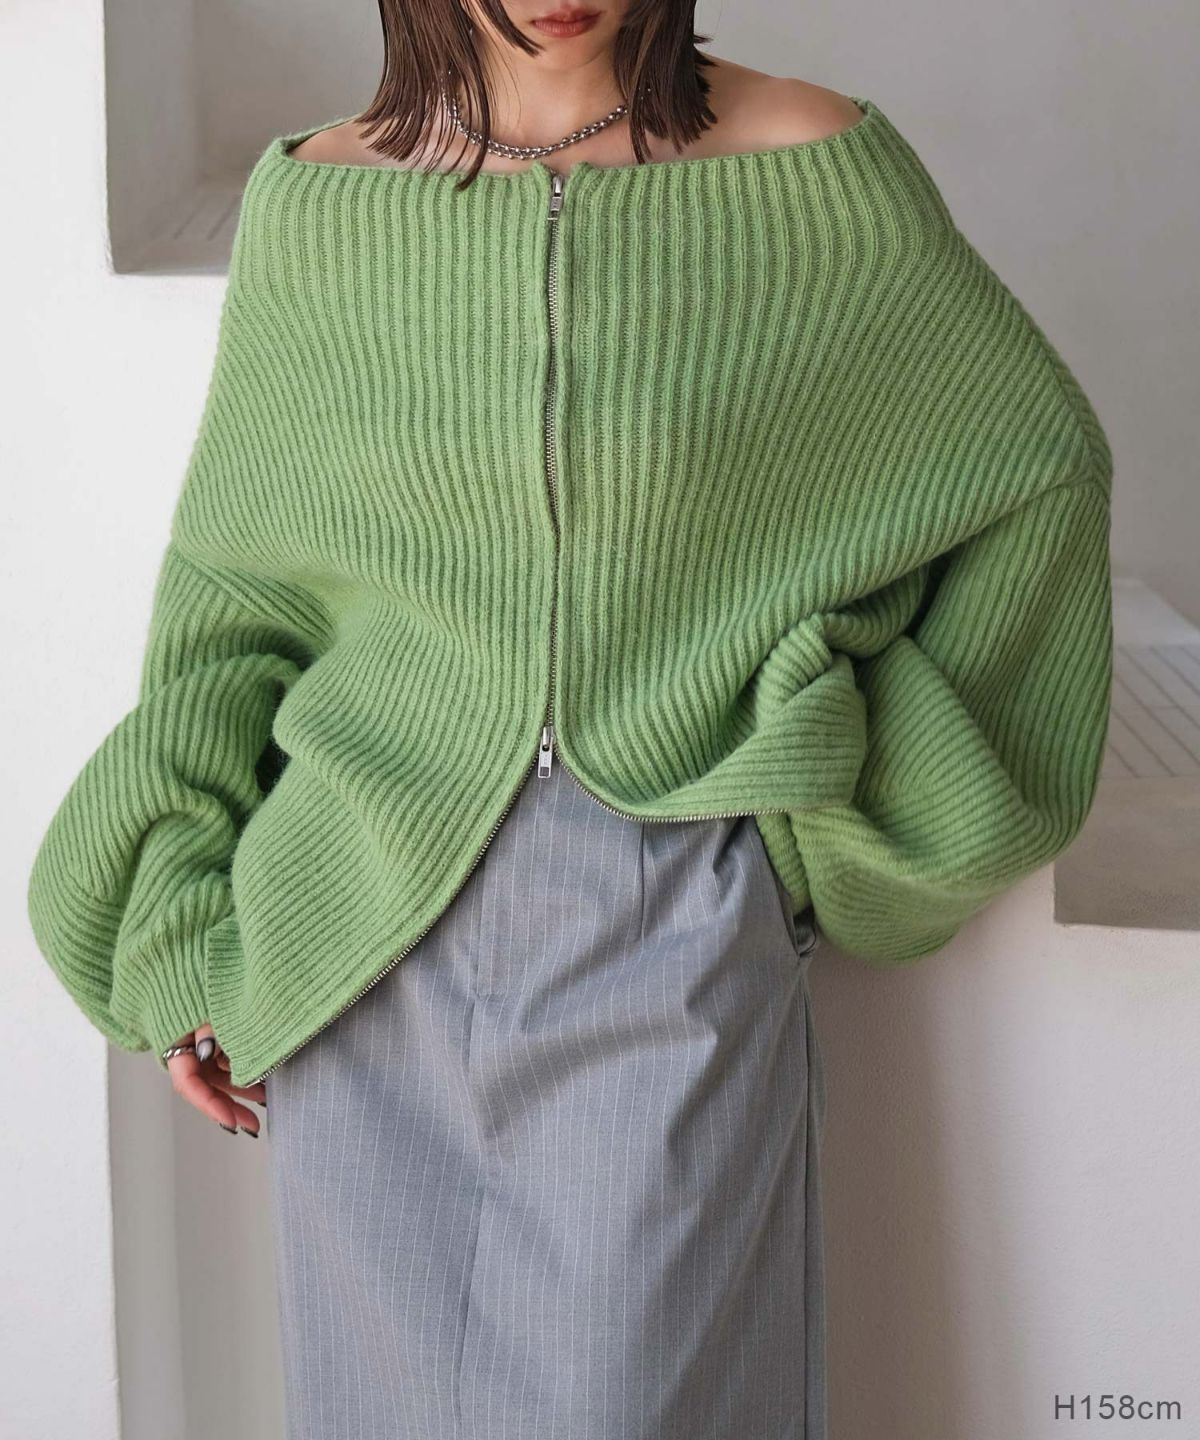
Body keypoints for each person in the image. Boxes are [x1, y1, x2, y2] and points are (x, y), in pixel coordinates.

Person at [26, 1, 1114, 1435]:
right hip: (354, 930)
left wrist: (838, 794)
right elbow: (242, 599)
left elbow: (1033, 470)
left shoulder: (811, 160)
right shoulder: (324, 202)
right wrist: (180, 937)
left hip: (664, 909)